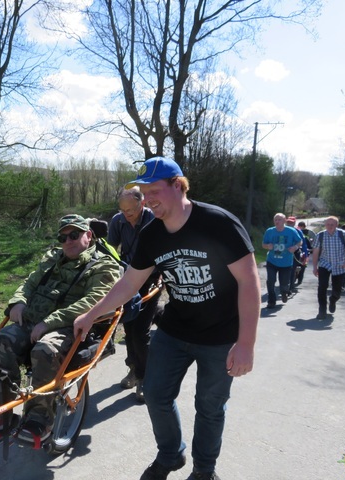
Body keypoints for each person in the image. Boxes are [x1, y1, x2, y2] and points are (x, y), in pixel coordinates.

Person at [74, 157, 260, 480]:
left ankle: (204, 470)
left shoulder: (219, 224)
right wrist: (92, 314)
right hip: (175, 330)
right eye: (144, 193)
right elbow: (129, 283)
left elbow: (249, 281)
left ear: (178, 185)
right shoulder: (152, 234)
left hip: (220, 335)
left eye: (154, 190)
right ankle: (171, 454)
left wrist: (246, 343)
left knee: (209, 406)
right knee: (156, 394)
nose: (148, 200)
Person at [0, 214, 121, 443]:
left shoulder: (103, 265)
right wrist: (18, 301)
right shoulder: (52, 259)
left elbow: (94, 300)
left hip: (70, 327)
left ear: (88, 236)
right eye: (63, 237)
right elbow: (29, 283)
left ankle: (39, 420)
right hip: (33, 320)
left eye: (74, 235)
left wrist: (49, 322)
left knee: (44, 350)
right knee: (4, 339)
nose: (68, 241)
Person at [107, 186, 162, 403]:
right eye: (123, 210)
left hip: (150, 277)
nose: (126, 214)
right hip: (127, 279)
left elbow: (164, 248)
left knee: (140, 331)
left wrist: (162, 274)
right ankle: (133, 369)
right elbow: (110, 251)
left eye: (130, 210)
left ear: (142, 203)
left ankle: (145, 378)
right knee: (129, 327)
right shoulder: (117, 221)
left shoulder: (154, 220)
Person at [311, 216, 345, 320]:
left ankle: (333, 300)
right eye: (328, 224)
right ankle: (322, 310)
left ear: (336, 225)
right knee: (322, 287)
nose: (330, 226)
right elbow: (316, 252)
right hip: (324, 264)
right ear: (325, 225)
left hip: (339, 265)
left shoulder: (343, 234)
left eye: (332, 224)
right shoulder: (320, 235)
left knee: (337, 290)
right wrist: (314, 267)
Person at [261, 213, 302, 308]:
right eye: (275, 219)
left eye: (279, 219)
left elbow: (299, 241)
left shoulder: (291, 231)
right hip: (272, 261)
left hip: (286, 262)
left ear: (284, 221)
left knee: (284, 283)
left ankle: (284, 292)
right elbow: (263, 244)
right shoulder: (269, 231)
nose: (277, 221)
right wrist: (267, 246)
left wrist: (295, 247)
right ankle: (271, 301)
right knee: (270, 281)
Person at [285, 216, 308, 293]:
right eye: (288, 222)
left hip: (295, 252)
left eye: (291, 222)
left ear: (294, 223)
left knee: (292, 269)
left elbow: (303, 244)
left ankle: (291, 287)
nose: (289, 223)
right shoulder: (282, 230)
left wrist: (305, 256)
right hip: (284, 252)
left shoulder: (298, 231)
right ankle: (284, 284)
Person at [296, 221, 316, 285]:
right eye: (300, 226)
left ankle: (300, 279)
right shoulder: (295, 231)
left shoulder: (309, 232)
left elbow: (315, 239)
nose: (301, 228)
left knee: (303, 265)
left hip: (307, 250)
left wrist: (312, 246)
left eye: (302, 226)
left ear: (304, 226)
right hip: (298, 249)